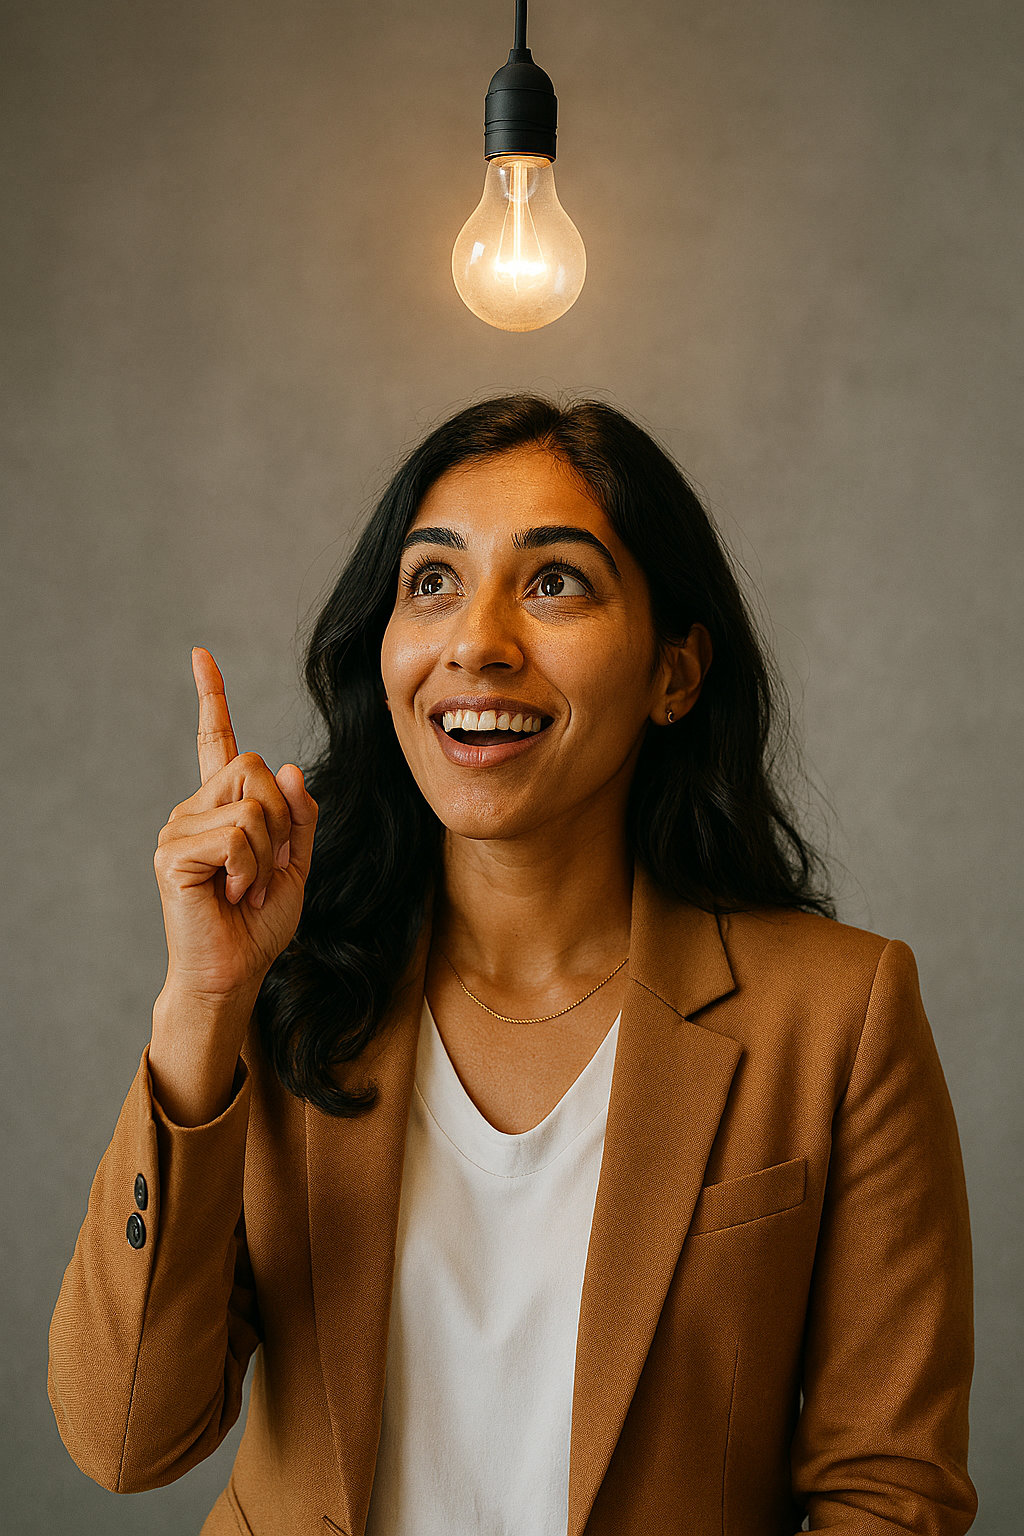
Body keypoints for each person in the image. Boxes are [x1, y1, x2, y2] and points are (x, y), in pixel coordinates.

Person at [48, 395, 977, 1536]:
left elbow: (889, 1493)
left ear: (675, 675)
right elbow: (127, 1438)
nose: (475, 641)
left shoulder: (839, 1015)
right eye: (431, 581)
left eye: (555, 583)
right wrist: (201, 1005)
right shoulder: (287, 992)